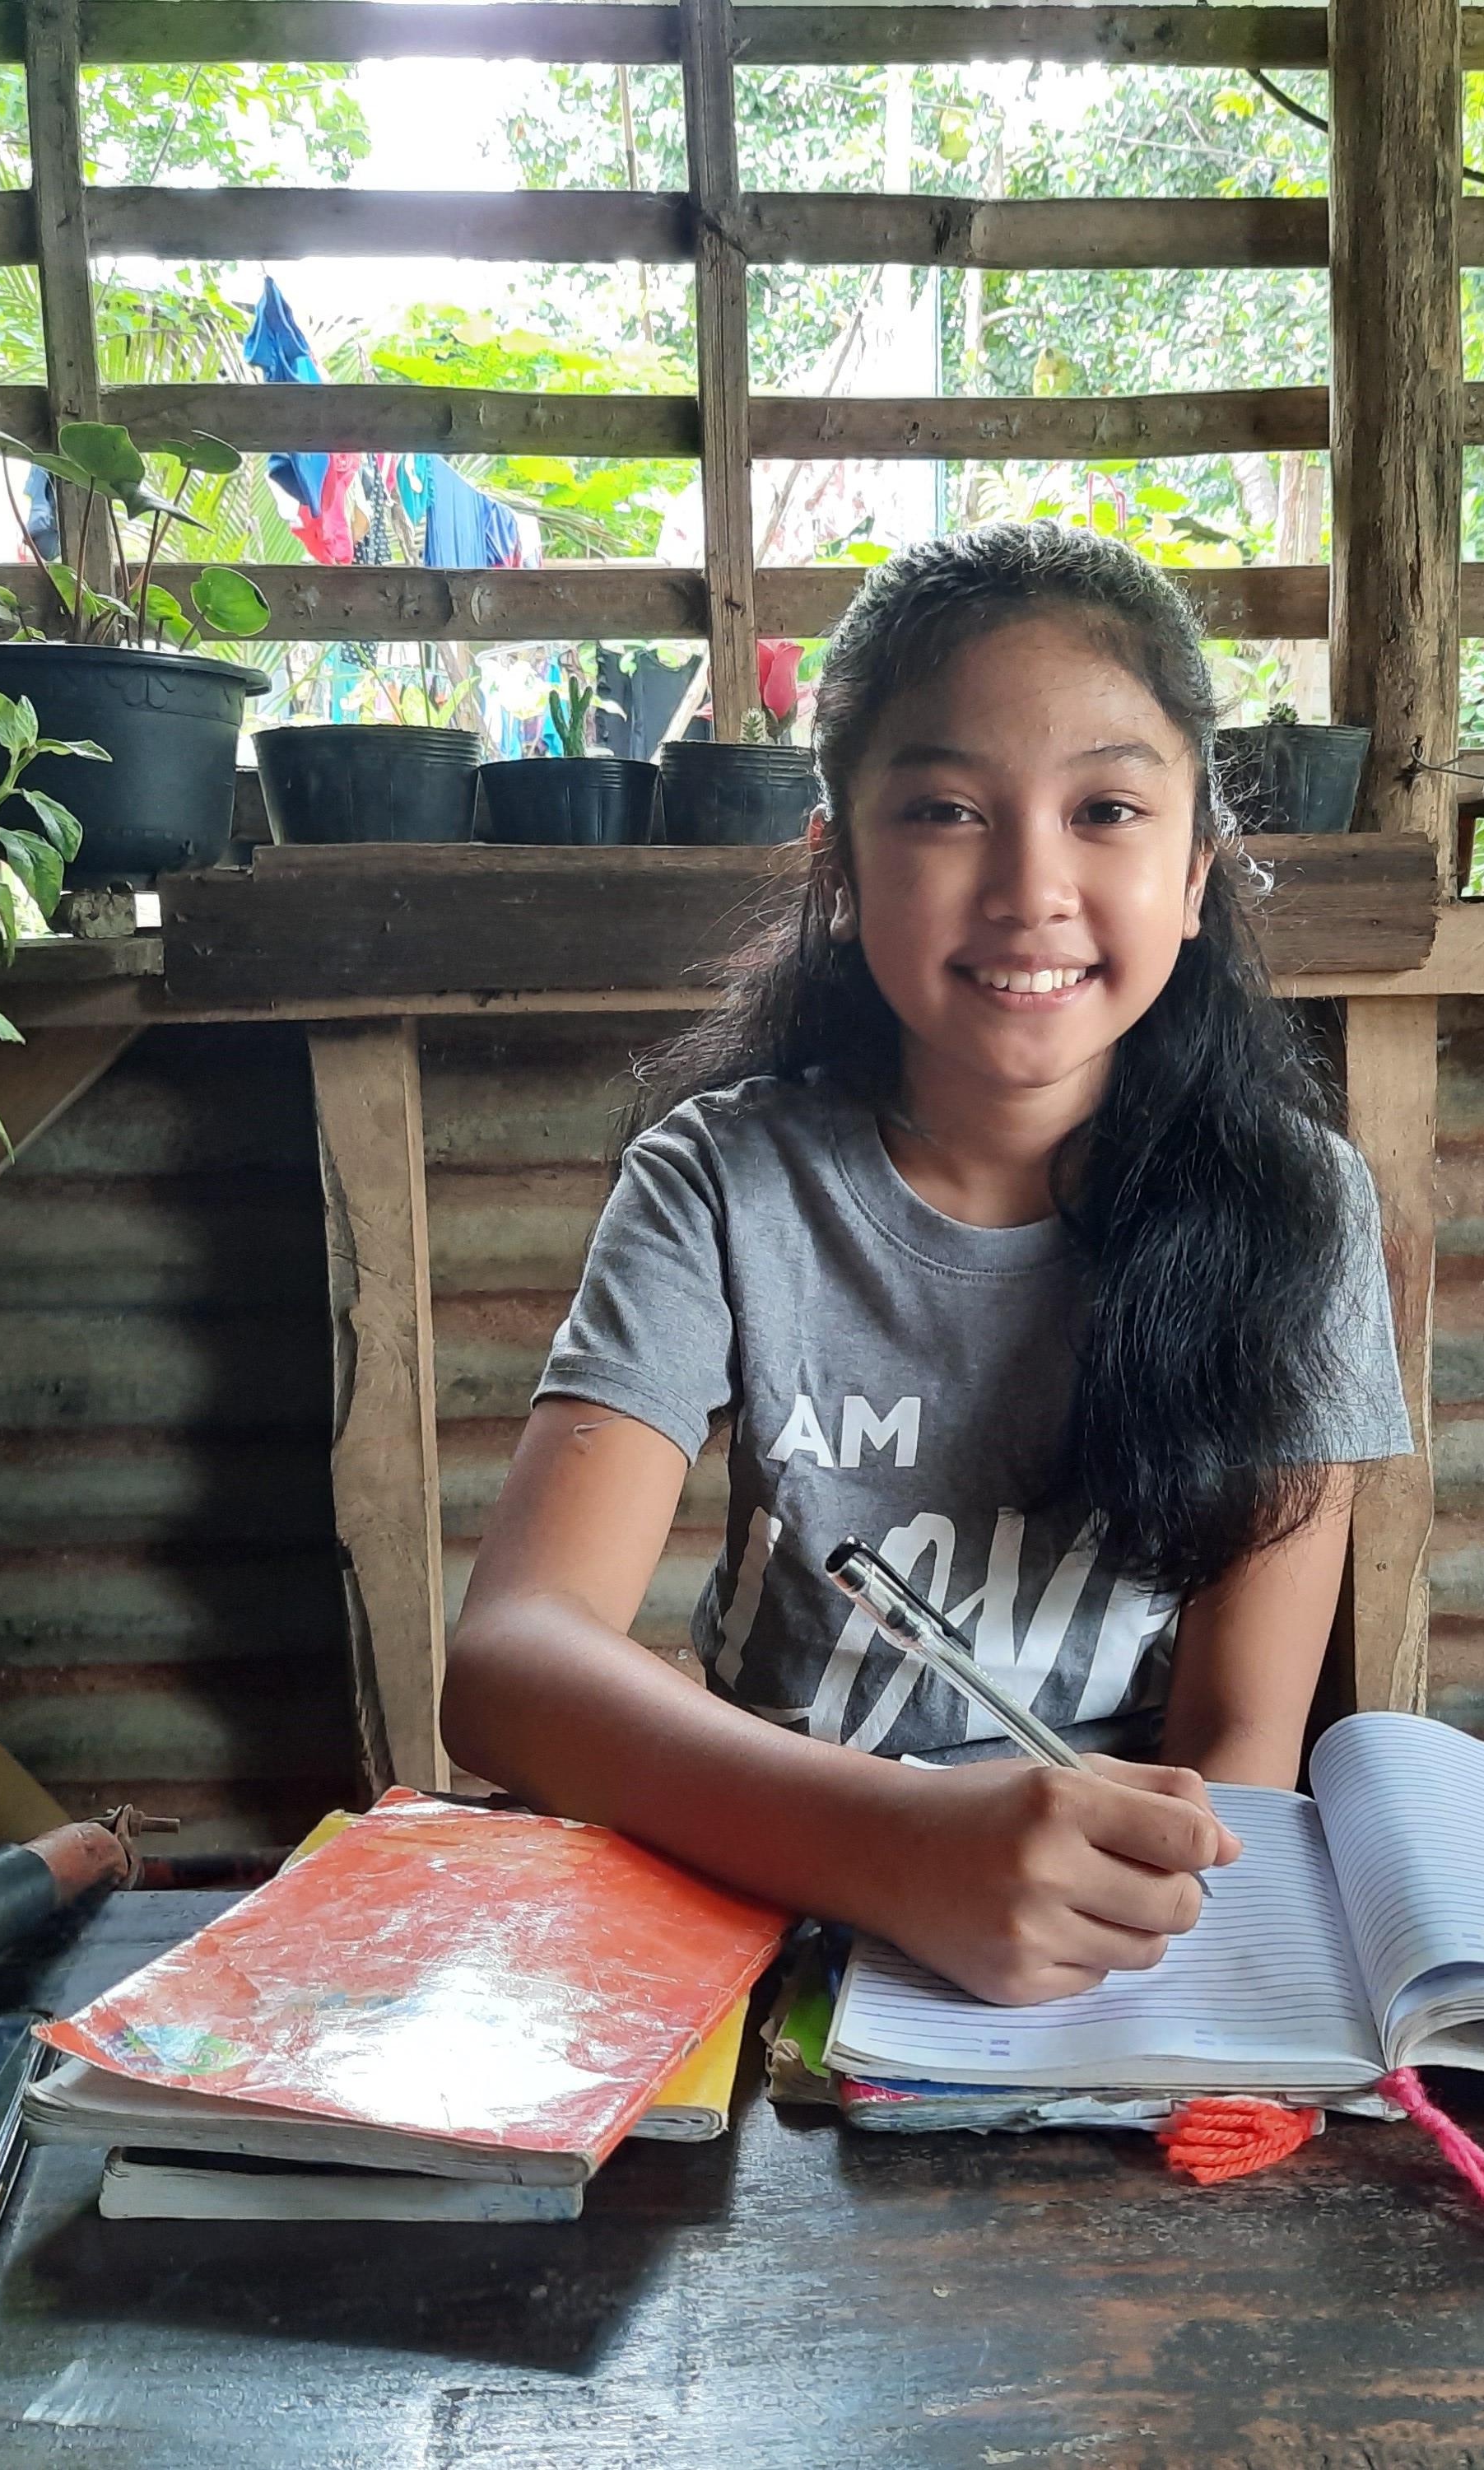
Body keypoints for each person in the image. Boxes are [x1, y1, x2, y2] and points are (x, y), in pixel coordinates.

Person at [441, 523, 1412, 2006]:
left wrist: (1086, 1910)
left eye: (1106, 809)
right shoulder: (723, 1183)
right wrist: (897, 1848)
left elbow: (1237, 1756)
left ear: (1199, 872)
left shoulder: (1300, 1208)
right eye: (948, 810)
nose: (1031, 886)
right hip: (765, 1909)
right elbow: (510, 1663)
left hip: (1106, 1964)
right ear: (839, 863)